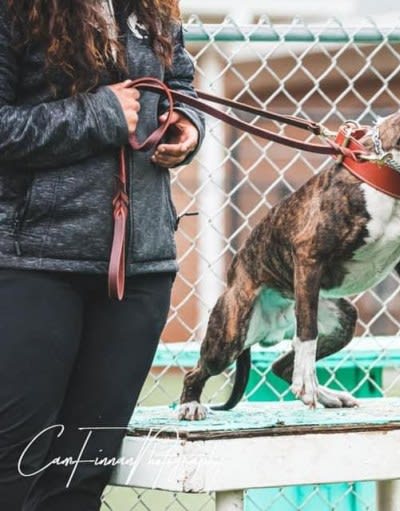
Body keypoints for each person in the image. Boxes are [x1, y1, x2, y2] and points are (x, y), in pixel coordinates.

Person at [0, 1, 204, 509]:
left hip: (142, 270)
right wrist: (99, 114)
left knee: (79, 479)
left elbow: (180, 82)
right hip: (31, 264)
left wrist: (187, 124)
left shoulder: (152, 7)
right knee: (12, 472)